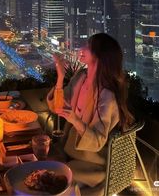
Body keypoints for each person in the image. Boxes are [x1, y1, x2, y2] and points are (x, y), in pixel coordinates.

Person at [47, 33, 134, 196]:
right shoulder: (81, 77)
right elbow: (57, 107)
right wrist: (60, 77)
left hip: (90, 163)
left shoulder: (106, 95)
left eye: (89, 46)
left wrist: (74, 119)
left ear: (100, 56)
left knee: (51, 181)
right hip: (67, 150)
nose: (82, 48)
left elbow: (97, 141)